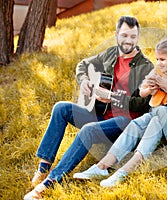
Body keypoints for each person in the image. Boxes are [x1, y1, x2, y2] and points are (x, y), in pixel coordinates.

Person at [73, 14, 167, 188]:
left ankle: (123, 172)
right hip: (166, 105)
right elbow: (159, 77)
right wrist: (150, 88)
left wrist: (163, 84)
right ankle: (102, 166)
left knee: (157, 121)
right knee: (137, 123)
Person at [24, 16, 154, 200]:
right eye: (124, 35)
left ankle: (50, 182)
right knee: (61, 108)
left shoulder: (146, 67)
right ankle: (43, 169)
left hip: (125, 123)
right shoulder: (110, 54)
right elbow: (83, 65)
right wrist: (84, 81)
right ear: (116, 34)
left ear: (138, 37)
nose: (128, 41)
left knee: (88, 130)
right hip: (102, 114)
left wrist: (112, 98)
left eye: (133, 36)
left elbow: (141, 105)